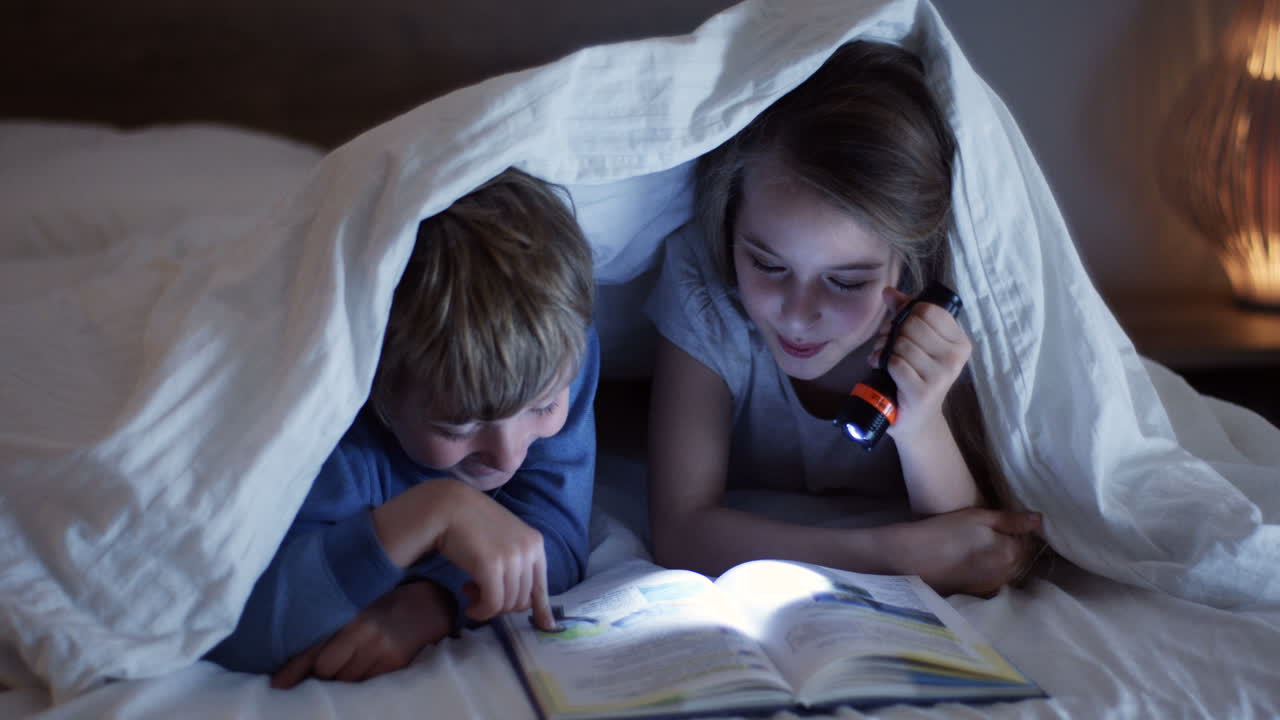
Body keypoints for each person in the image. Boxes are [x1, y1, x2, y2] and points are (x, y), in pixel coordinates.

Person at [645, 40, 1042, 597]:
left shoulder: (951, 317)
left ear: (905, 263)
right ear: (731, 224)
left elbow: (974, 547)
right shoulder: (708, 292)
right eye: (767, 263)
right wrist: (888, 554)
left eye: (847, 281)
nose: (799, 314)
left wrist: (921, 421)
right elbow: (682, 531)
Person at [208, 167, 599, 688]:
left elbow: (555, 534)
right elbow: (233, 630)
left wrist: (431, 601)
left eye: (545, 407)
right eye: (458, 427)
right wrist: (429, 513)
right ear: (379, 388)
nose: (507, 457)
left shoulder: (557, 344)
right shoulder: (341, 434)